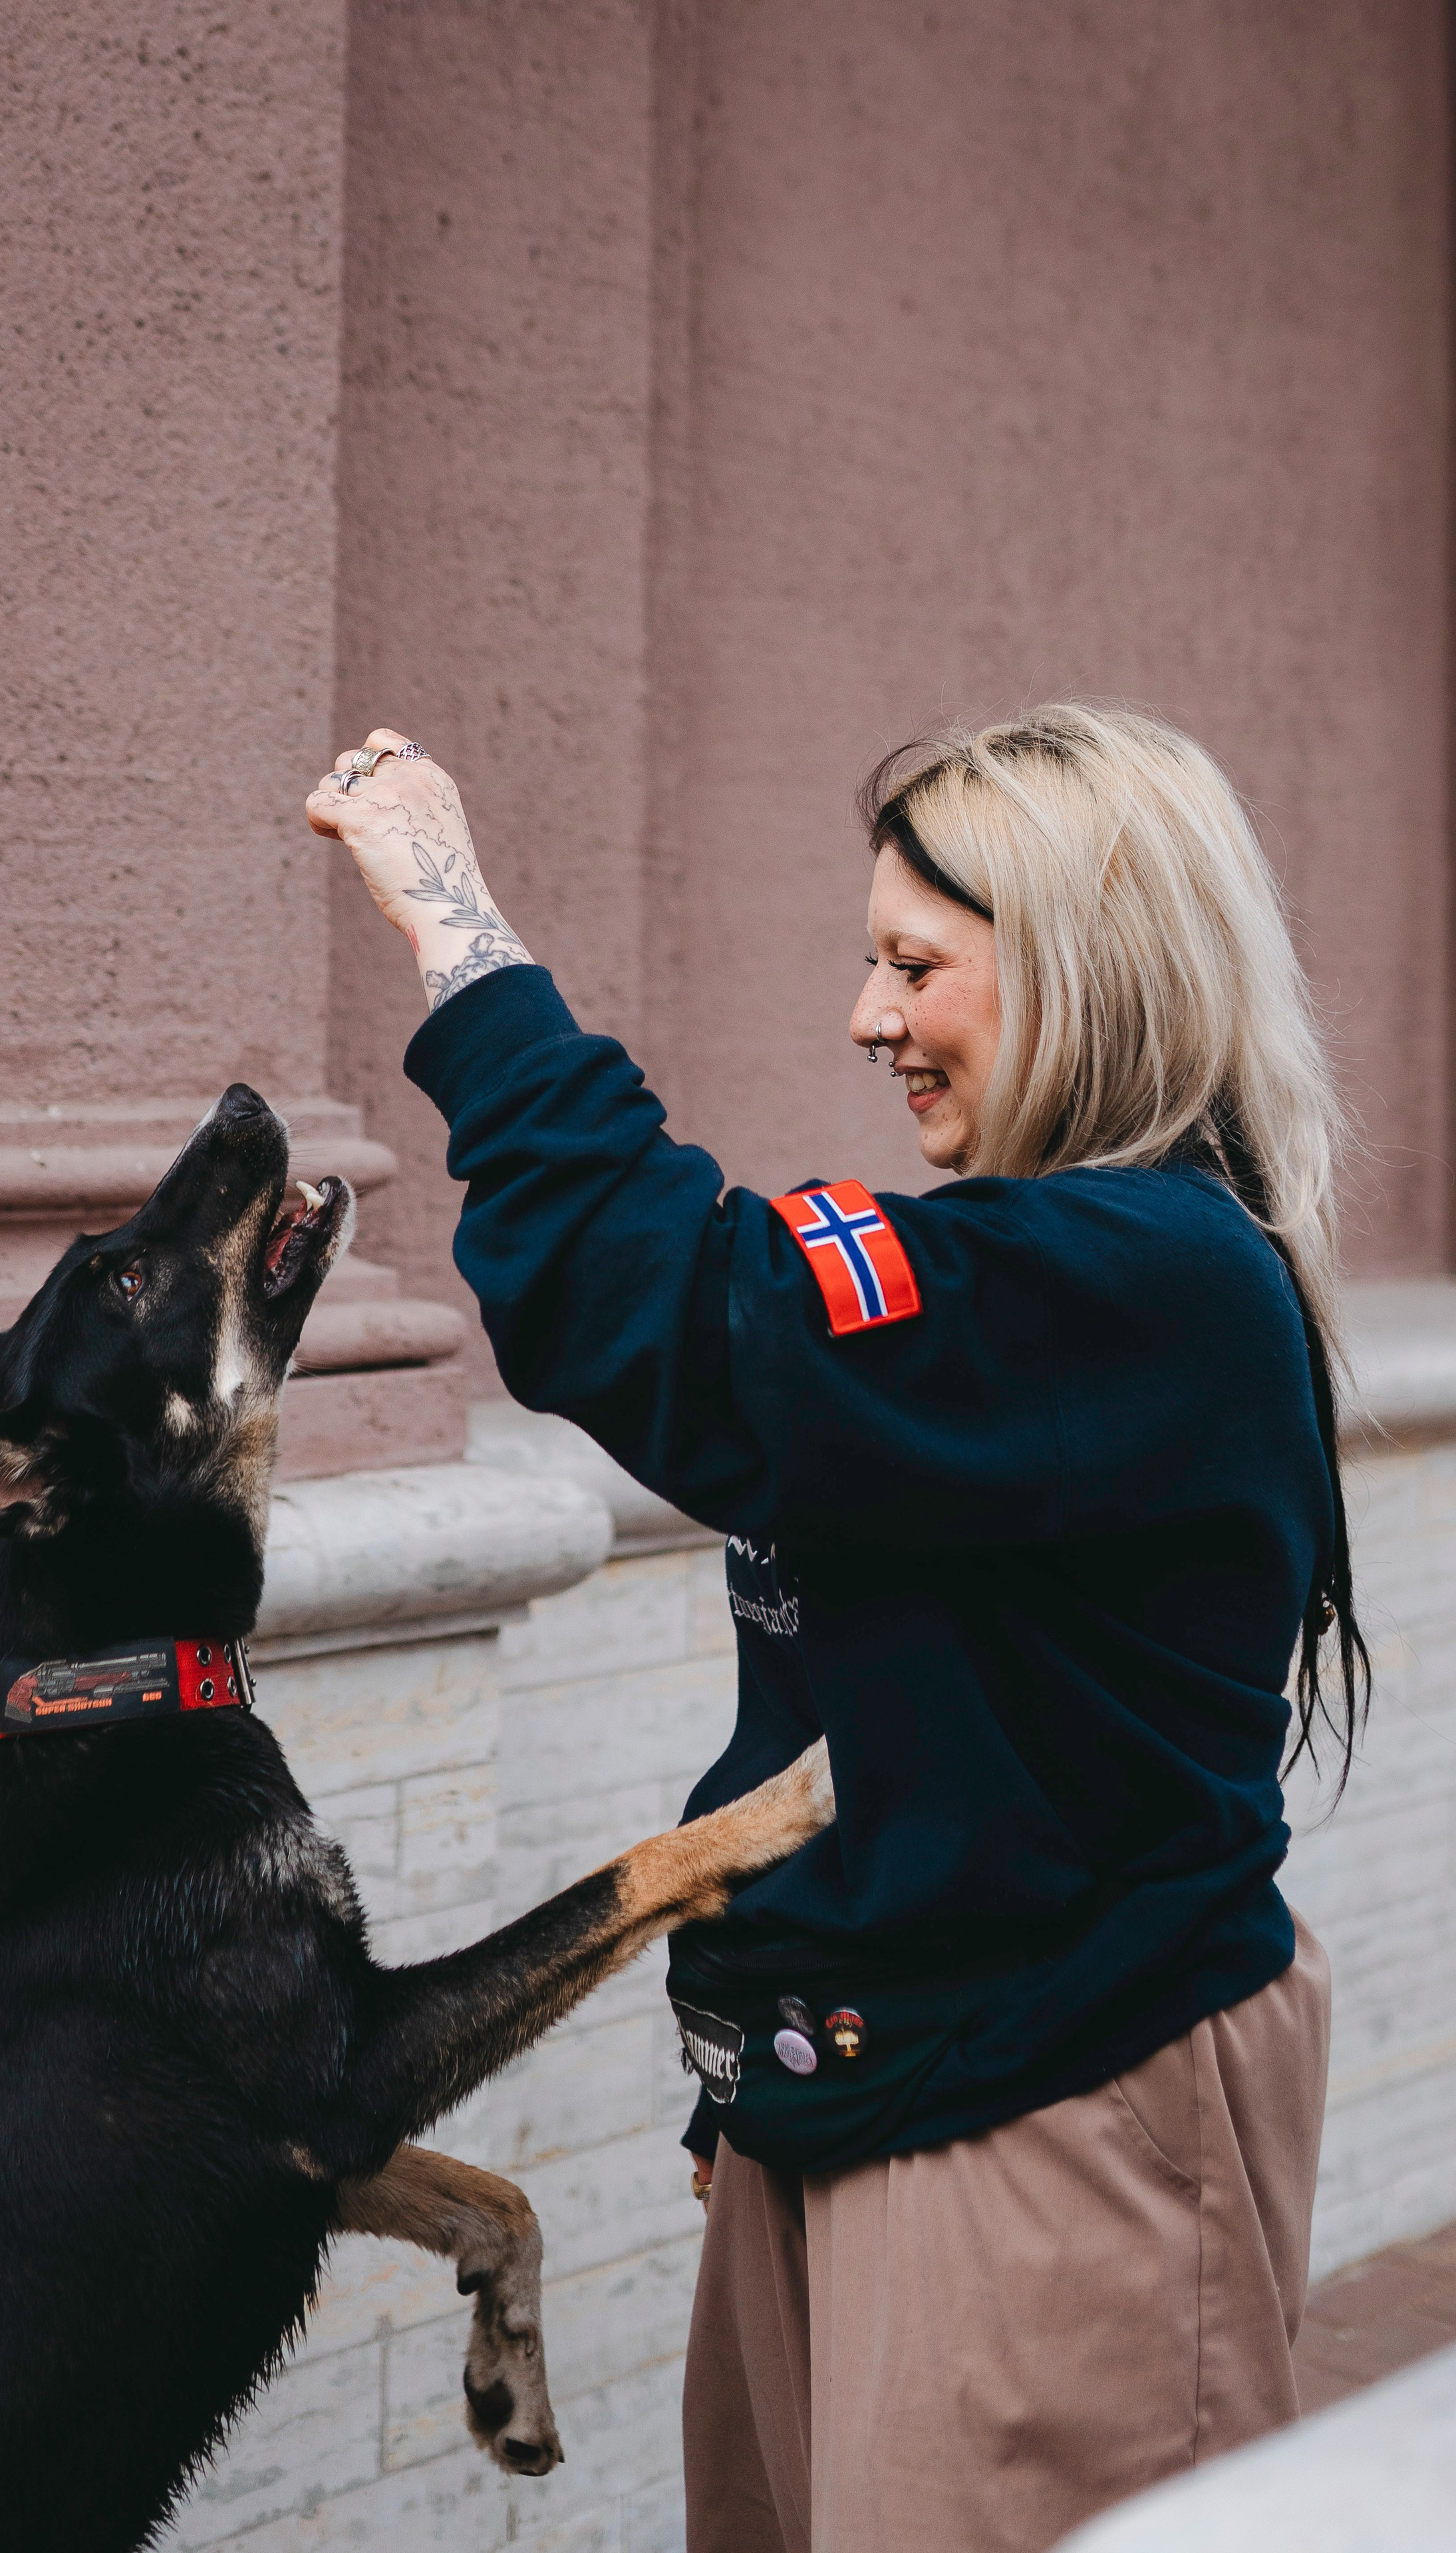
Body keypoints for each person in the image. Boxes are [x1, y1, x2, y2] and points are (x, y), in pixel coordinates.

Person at [307, 706, 1362, 2553]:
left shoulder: (1144, 1280)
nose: (867, 1019)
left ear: (1088, 960)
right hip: (847, 2093)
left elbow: (666, 1307)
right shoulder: (1036, 1278)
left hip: (1049, 2107)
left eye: (914, 963)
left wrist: (457, 925)